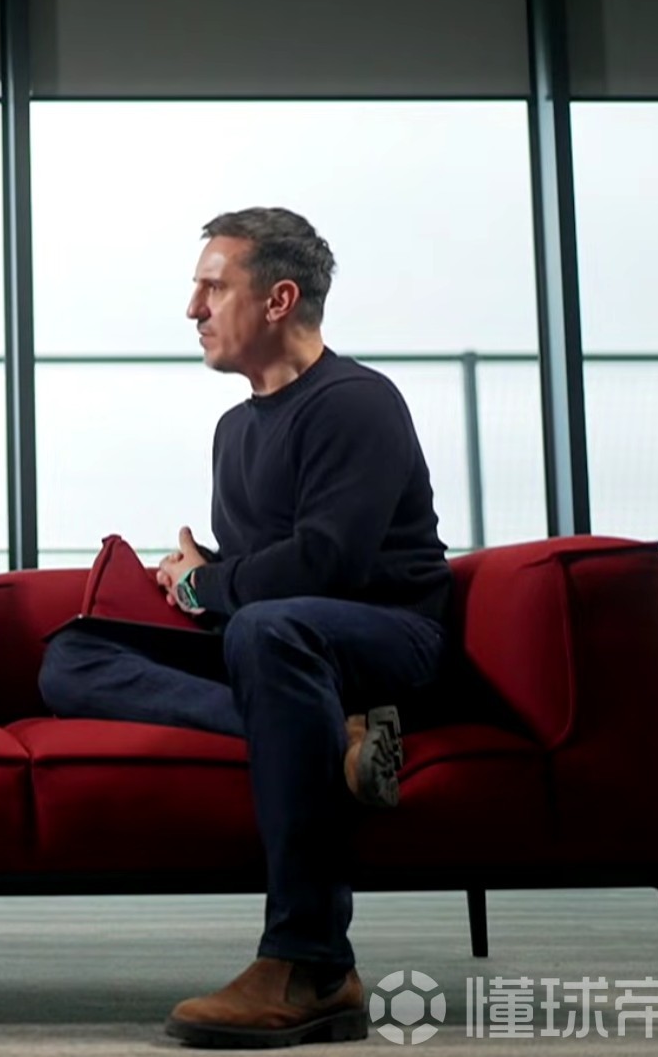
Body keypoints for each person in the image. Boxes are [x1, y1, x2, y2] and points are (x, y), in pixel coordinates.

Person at [38, 208, 451, 1048]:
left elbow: (327, 562)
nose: (193, 308)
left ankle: (312, 963)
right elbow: (273, 565)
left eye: (212, 287)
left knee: (266, 628)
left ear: (278, 299)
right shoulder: (235, 428)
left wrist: (209, 583)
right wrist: (205, 572)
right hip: (280, 646)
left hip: (387, 639)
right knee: (71, 653)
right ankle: (330, 732)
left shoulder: (356, 402)